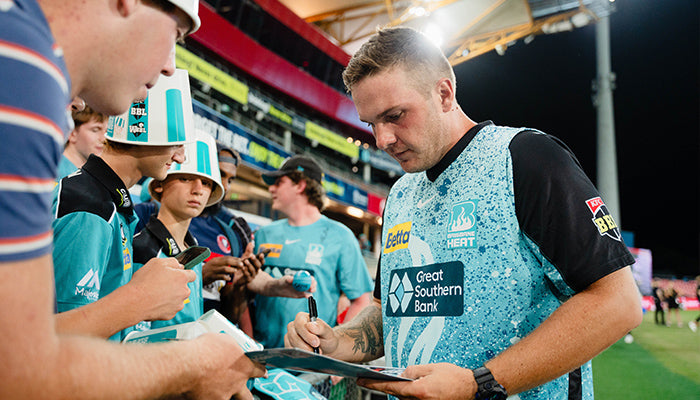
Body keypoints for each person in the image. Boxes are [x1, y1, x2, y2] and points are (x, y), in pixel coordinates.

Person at [285, 27, 642, 400]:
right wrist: (336, 341)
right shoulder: (401, 194)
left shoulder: (526, 159)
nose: (382, 140)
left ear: (444, 93)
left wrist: (478, 385)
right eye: (371, 123)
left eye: (394, 115)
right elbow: (388, 311)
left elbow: (618, 303)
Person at [0, 0, 264, 397]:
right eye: (175, 35)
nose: (169, 68)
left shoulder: (26, 62)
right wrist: (189, 360)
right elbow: (20, 367)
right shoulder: (25, 73)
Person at [132, 131, 263, 329]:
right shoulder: (140, 245)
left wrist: (237, 285)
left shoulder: (195, 249)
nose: (198, 190)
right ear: (159, 185)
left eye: (206, 183)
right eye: (185, 178)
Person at [253, 155, 374, 348]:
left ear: (300, 185)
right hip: (263, 357)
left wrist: (339, 350)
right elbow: (245, 288)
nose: (271, 188)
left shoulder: (340, 236)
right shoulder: (264, 234)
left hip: (312, 365)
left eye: (279, 182)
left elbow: (361, 301)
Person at [58, 105, 108, 179]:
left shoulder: (94, 175)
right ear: (72, 133)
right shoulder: (53, 172)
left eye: (106, 132)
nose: (104, 139)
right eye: (95, 130)